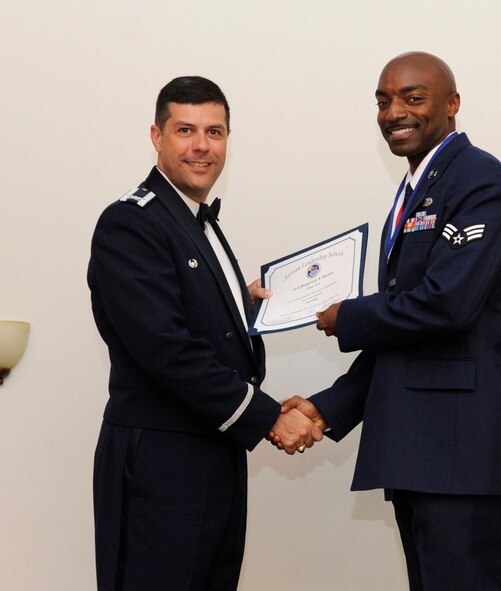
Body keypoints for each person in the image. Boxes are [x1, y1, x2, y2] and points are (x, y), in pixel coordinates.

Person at [278, 52, 501, 591]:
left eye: (412, 98)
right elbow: (403, 336)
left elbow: (447, 304)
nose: (394, 111)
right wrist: (326, 409)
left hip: (458, 449)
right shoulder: (413, 190)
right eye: (383, 101)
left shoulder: (478, 177)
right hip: (423, 449)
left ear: (452, 105)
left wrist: (345, 316)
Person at [88, 76, 323, 591]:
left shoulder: (195, 221)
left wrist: (245, 307)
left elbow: (193, 319)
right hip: (160, 463)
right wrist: (268, 418)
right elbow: (167, 350)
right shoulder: (131, 223)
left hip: (213, 452)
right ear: (156, 136)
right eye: (185, 130)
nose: (201, 146)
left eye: (214, 132)